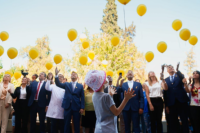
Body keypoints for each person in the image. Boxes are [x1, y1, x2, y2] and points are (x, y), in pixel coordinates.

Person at [55, 67, 85, 133]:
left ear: (77, 77)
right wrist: (56, 75)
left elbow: (82, 97)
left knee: (76, 123)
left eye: (74, 74)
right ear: (70, 76)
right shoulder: (66, 84)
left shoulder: (80, 86)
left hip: (76, 107)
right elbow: (58, 84)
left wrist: (82, 107)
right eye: (72, 74)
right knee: (66, 123)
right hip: (67, 107)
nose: (73, 74)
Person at [164, 64, 189, 133]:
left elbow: (183, 77)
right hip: (172, 104)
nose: (171, 68)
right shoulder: (165, 80)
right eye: (169, 67)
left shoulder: (179, 76)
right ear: (167, 70)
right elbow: (165, 93)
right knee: (174, 122)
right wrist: (166, 106)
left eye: (172, 67)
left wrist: (177, 70)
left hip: (182, 102)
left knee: (184, 120)